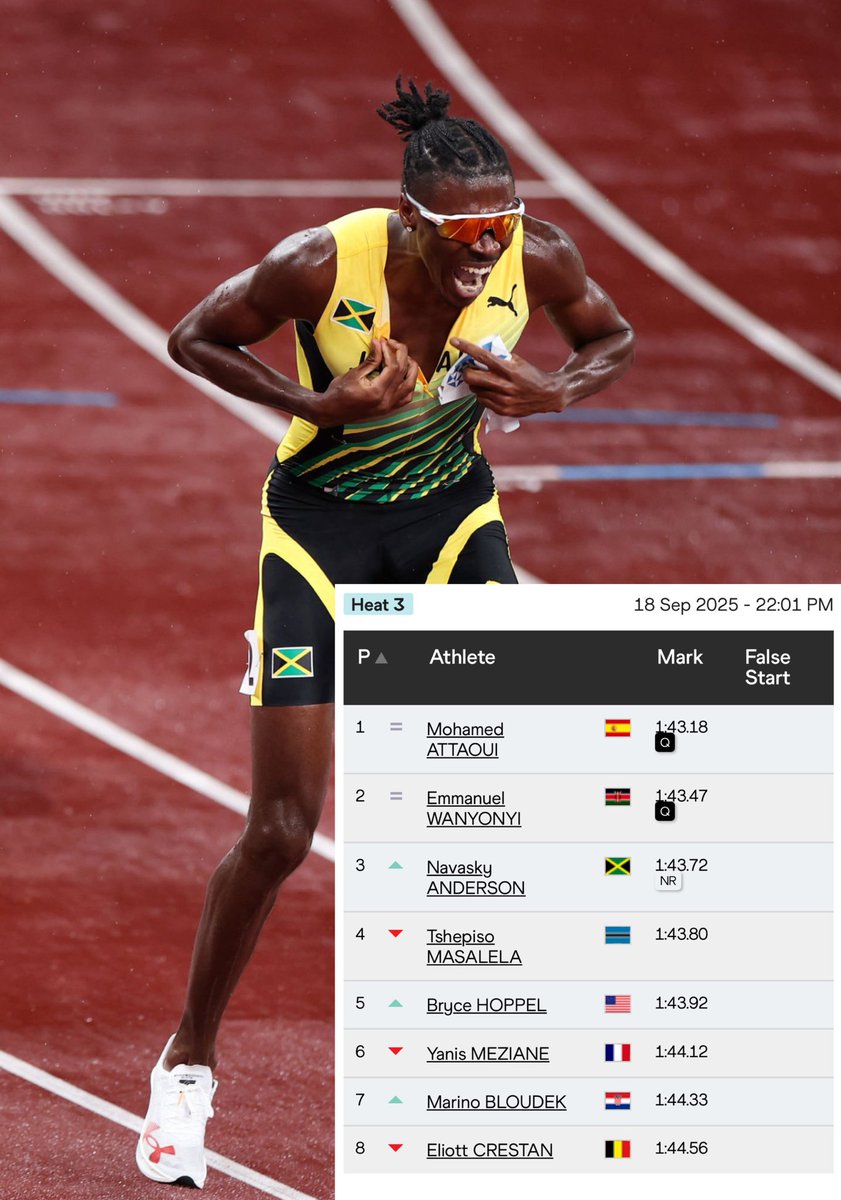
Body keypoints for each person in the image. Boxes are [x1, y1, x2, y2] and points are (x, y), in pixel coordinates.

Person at [136, 77, 634, 1188]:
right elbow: (193, 337)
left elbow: (612, 334)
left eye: (496, 227)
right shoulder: (321, 262)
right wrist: (315, 407)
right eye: (461, 230)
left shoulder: (533, 255)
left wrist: (549, 395)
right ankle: (187, 1067)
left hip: (451, 524)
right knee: (280, 827)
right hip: (320, 538)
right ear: (409, 217)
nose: (483, 249)